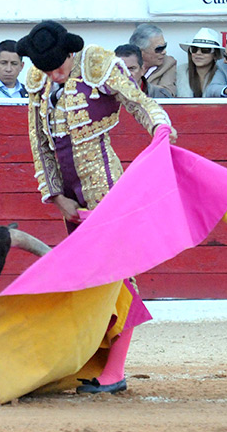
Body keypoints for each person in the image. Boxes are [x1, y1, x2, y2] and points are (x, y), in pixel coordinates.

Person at [16, 20, 177, 395]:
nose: (54, 76)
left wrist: (160, 128)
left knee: (118, 272)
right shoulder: (38, 80)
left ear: (71, 54)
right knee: (88, 276)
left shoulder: (98, 64)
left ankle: (115, 369)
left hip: (104, 185)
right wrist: (57, 198)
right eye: (47, 70)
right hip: (70, 197)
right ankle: (97, 360)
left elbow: (139, 102)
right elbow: (38, 143)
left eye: (59, 67)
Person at [129, 23, 176, 97]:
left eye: (164, 46)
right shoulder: (123, 62)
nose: (164, 52)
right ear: (141, 52)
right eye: (159, 49)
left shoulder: (168, 63)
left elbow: (167, 94)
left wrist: (142, 86)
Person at [176, 28, 224, 97]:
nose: (198, 53)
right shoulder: (179, 72)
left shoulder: (222, 74)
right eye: (194, 49)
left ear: (215, 55)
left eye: (205, 50)